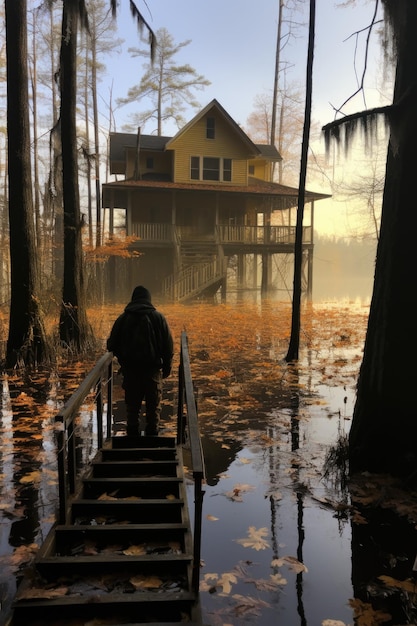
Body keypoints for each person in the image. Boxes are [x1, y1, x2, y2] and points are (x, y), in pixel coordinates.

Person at [107, 286, 174, 437]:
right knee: (153, 410)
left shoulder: (123, 319)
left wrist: (123, 359)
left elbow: (111, 345)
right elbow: (168, 346)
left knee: (132, 410)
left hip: (131, 371)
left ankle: (132, 441)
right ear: (149, 299)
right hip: (152, 370)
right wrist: (167, 367)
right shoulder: (158, 318)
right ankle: (152, 441)